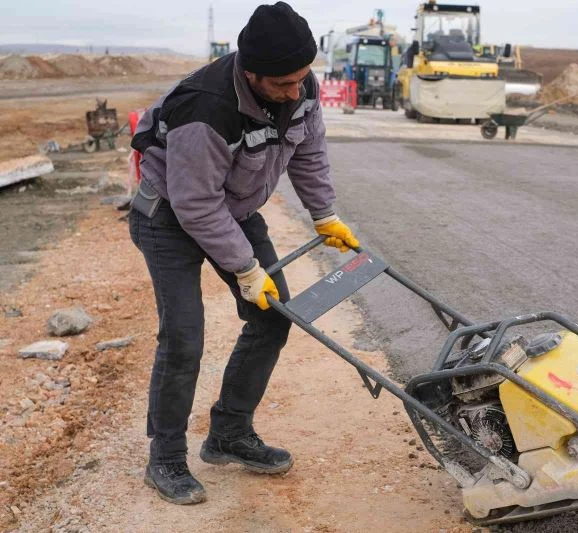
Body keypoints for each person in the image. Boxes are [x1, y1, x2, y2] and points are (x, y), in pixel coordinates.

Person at [128, 2, 359, 505]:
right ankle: (165, 458)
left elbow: (310, 153)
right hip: (168, 217)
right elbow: (195, 205)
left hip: (230, 209)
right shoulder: (205, 108)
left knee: (273, 317)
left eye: (303, 79)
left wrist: (324, 216)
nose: (296, 90)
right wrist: (247, 268)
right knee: (185, 337)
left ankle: (228, 436)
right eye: (283, 84)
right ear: (251, 73)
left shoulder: (299, 86)